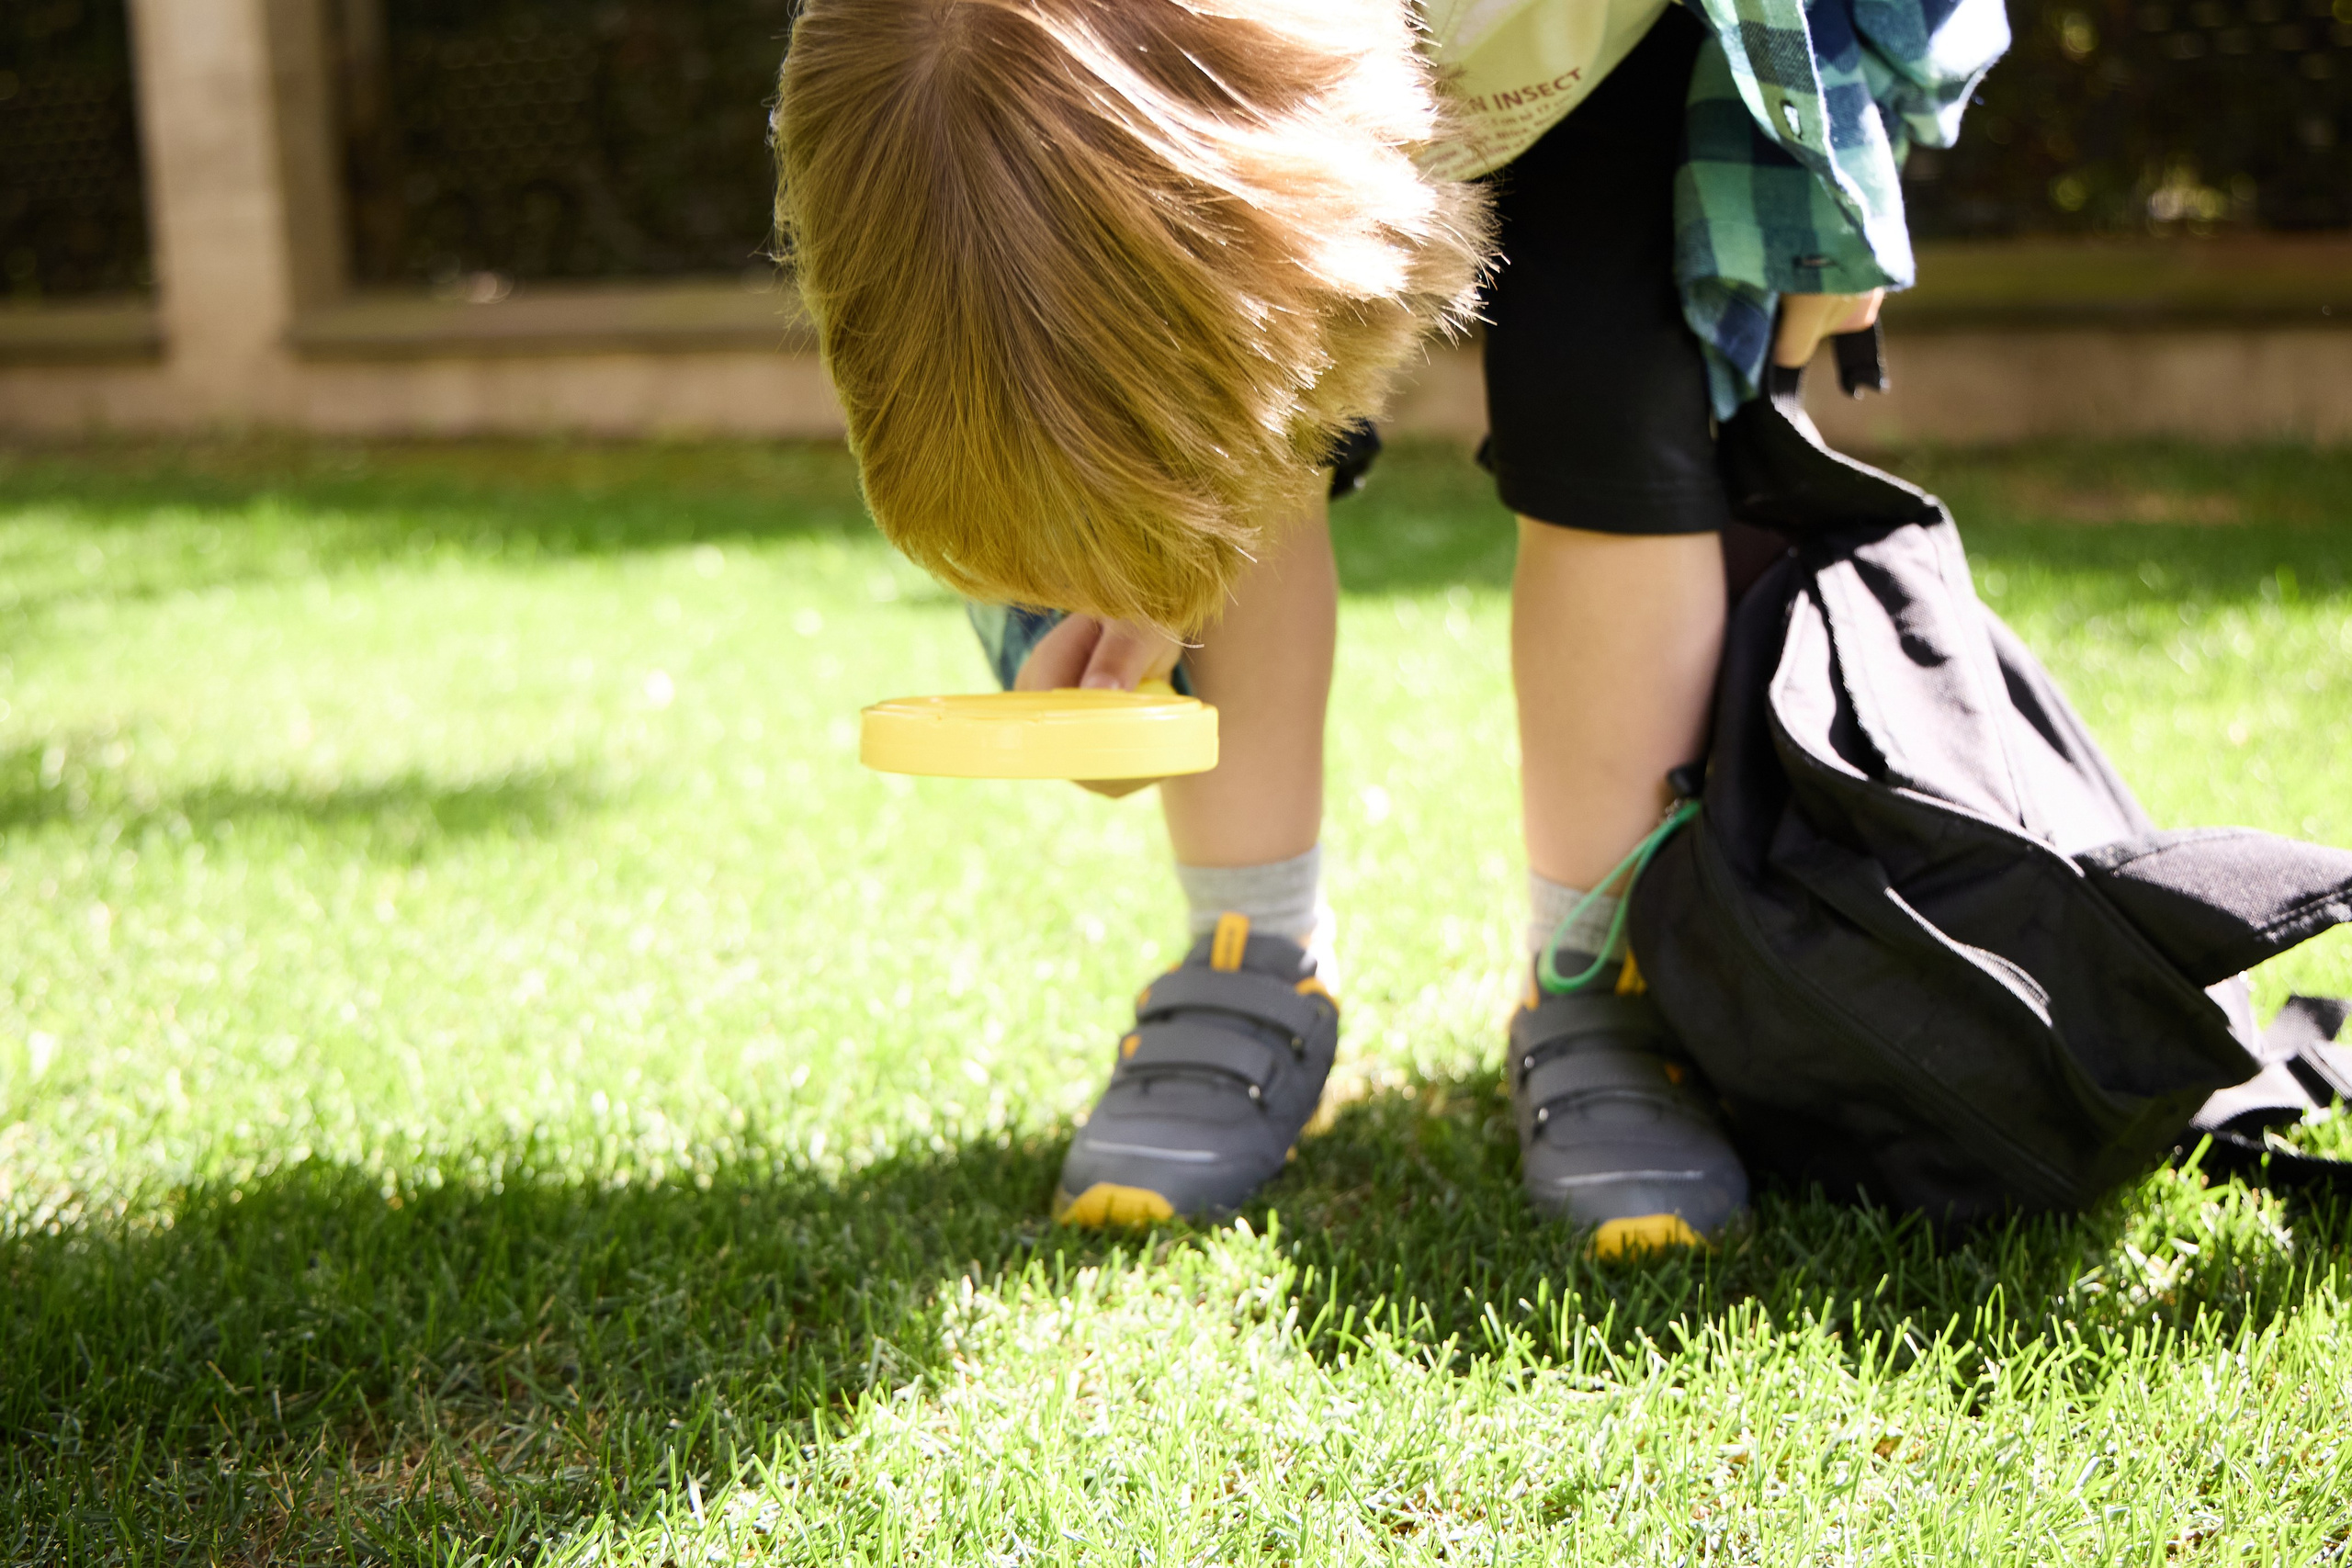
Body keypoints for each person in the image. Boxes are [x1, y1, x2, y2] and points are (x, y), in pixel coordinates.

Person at [775, 0, 2006, 1250]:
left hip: (1632, 49)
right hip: (1242, 101)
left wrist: (1837, 162)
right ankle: (1247, 951)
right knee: (1235, 444)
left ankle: (1599, 978)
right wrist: (1123, 573)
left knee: (1614, 405)